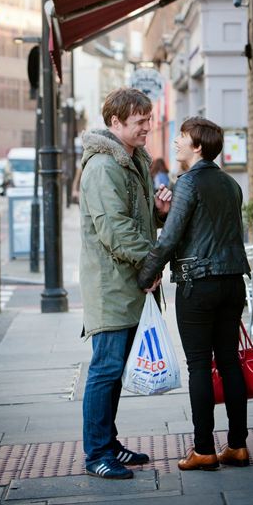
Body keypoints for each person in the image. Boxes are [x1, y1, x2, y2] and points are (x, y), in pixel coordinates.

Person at [137, 117, 251, 471]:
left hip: (197, 283)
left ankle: (203, 449)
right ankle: (237, 446)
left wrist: (146, 273)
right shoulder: (231, 184)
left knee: (200, 366)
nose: (175, 141)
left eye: (182, 137)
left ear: (197, 146)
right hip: (233, 282)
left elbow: (169, 238)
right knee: (230, 362)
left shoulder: (187, 183)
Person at [79, 87, 172, 480]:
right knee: (105, 369)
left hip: (131, 283)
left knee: (114, 370)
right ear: (115, 123)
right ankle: (97, 453)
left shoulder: (132, 162)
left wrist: (159, 211)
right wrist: (152, 264)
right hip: (112, 286)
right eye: (139, 121)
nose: (147, 128)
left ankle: (110, 445)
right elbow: (114, 230)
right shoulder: (103, 167)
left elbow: (134, 219)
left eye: (149, 119)